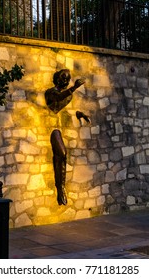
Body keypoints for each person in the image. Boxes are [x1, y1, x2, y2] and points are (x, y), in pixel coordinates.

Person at [45, 69, 90, 205]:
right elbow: (57, 99)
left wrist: (79, 114)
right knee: (62, 153)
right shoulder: (50, 92)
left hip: (59, 126)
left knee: (62, 155)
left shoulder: (69, 96)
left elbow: (66, 109)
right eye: (63, 78)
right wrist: (74, 87)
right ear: (57, 79)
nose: (66, 81)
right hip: (50, 125)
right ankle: (60, 187)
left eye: (68, 78)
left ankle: (61, 187)